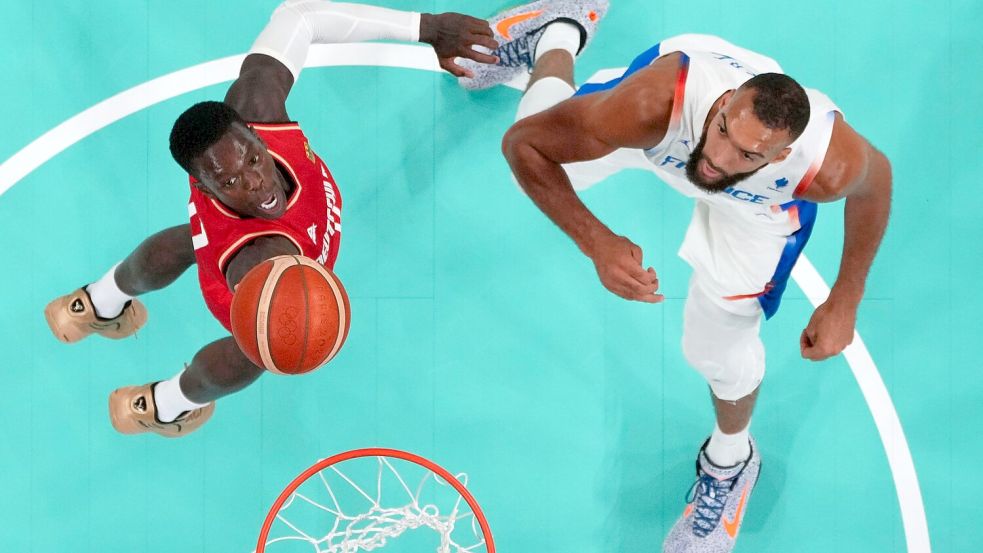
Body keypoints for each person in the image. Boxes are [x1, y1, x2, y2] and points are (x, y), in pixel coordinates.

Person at [464, 2, 893, 551]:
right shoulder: (651, 105)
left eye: (744, 152)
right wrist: (597, 240)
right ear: (721, 106)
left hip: (757, 210)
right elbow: (523, 147)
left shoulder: (822, 168)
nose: (716, 158)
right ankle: (560, 32)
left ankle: (731, 460)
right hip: (659, 140)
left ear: (781, 154)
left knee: (716, 344)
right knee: (540, 140)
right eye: (720, 130)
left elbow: (875, 182)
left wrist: (846, 297)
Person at [44, 1, 497, 438]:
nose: (257, 184)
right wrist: (289, 321)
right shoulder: (262, 261)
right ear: (205, 188)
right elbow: (283, 311)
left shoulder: (259, 105)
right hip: (251, 277)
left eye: (254, 160)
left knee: (191, 241)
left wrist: (429, 27)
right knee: (255, 349)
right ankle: (164, 406)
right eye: (232, 182)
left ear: (254, 132)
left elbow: (300, 14)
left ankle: (95, 303)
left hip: (229, 229)